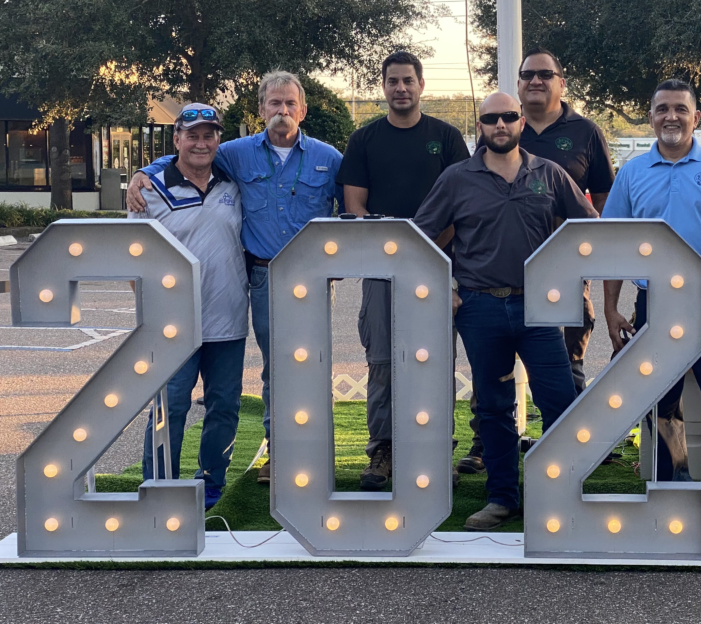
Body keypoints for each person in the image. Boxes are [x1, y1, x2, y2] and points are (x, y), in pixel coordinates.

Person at [126, 71, 343, 485]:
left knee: (304, 370)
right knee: (181, 399)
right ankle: (162, 487)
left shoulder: (328, 158)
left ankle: (297, 459)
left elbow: (351, 209)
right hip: (256, 281)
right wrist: (142, 172)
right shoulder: (235, 155)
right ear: (260, 110)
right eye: (274, 103)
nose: (282, 111)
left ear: (303, 109)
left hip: (307, 285)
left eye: (290, 104)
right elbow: (185, 158)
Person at [414, 91, 599, 531]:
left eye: (509, 117)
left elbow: (590, 226)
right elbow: (418, 237)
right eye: (491, 118)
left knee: (559, 402)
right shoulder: (458, 178)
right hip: (479, 307)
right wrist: (447, 284)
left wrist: (568, 275)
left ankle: (561, 495)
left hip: (539, 309)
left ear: (520, 122)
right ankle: (502, 498)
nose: (501, 125)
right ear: (479, 125)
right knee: (494, 408)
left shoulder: (549, 174)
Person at [602, 78, 701, 537]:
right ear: (650, 116)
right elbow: (615, 243)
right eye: (661, 109)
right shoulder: (633, 173)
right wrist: (611, 308)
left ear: (697, 117)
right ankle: (670, 491)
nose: (670, 116)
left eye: (680, 109)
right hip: (655, 302)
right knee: (662, 404)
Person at [338, 51, 470, 491]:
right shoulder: (365, 140)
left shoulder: (447, 138)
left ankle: (436, 450)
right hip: (379, 270)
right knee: (382, 363)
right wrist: (394, 254)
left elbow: (461, 205)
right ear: (384, 87)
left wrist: (421, 251)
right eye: (392, 81)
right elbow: (354, 206)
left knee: (434, 362)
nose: (400, 88)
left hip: (436, 267)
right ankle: (384, 452)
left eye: (408, 81)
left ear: (420, 85)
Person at [133, 104, 248, 511]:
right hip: (172, 323)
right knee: (170, 408)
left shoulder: (234, 184)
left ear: (219, 140)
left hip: (228, 318)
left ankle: (211, 486)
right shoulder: (148, 188)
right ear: (177, 139)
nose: (201, 143)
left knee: (225, 406)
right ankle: (161, 489)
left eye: (209, 135)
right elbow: (135, 259)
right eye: (192, 135)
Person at [517, 47, 615, 393]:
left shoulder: (585, 131)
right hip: (507, 265)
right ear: (518, 84)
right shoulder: (504, 128)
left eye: (545, 74)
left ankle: (570, 440)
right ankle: (488, 443)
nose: (536, 81)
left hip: (569, 265)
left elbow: (604, 200)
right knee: (498, 361)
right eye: (528, 74)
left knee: (568, 358)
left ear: (561, 83)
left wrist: (590, 253)